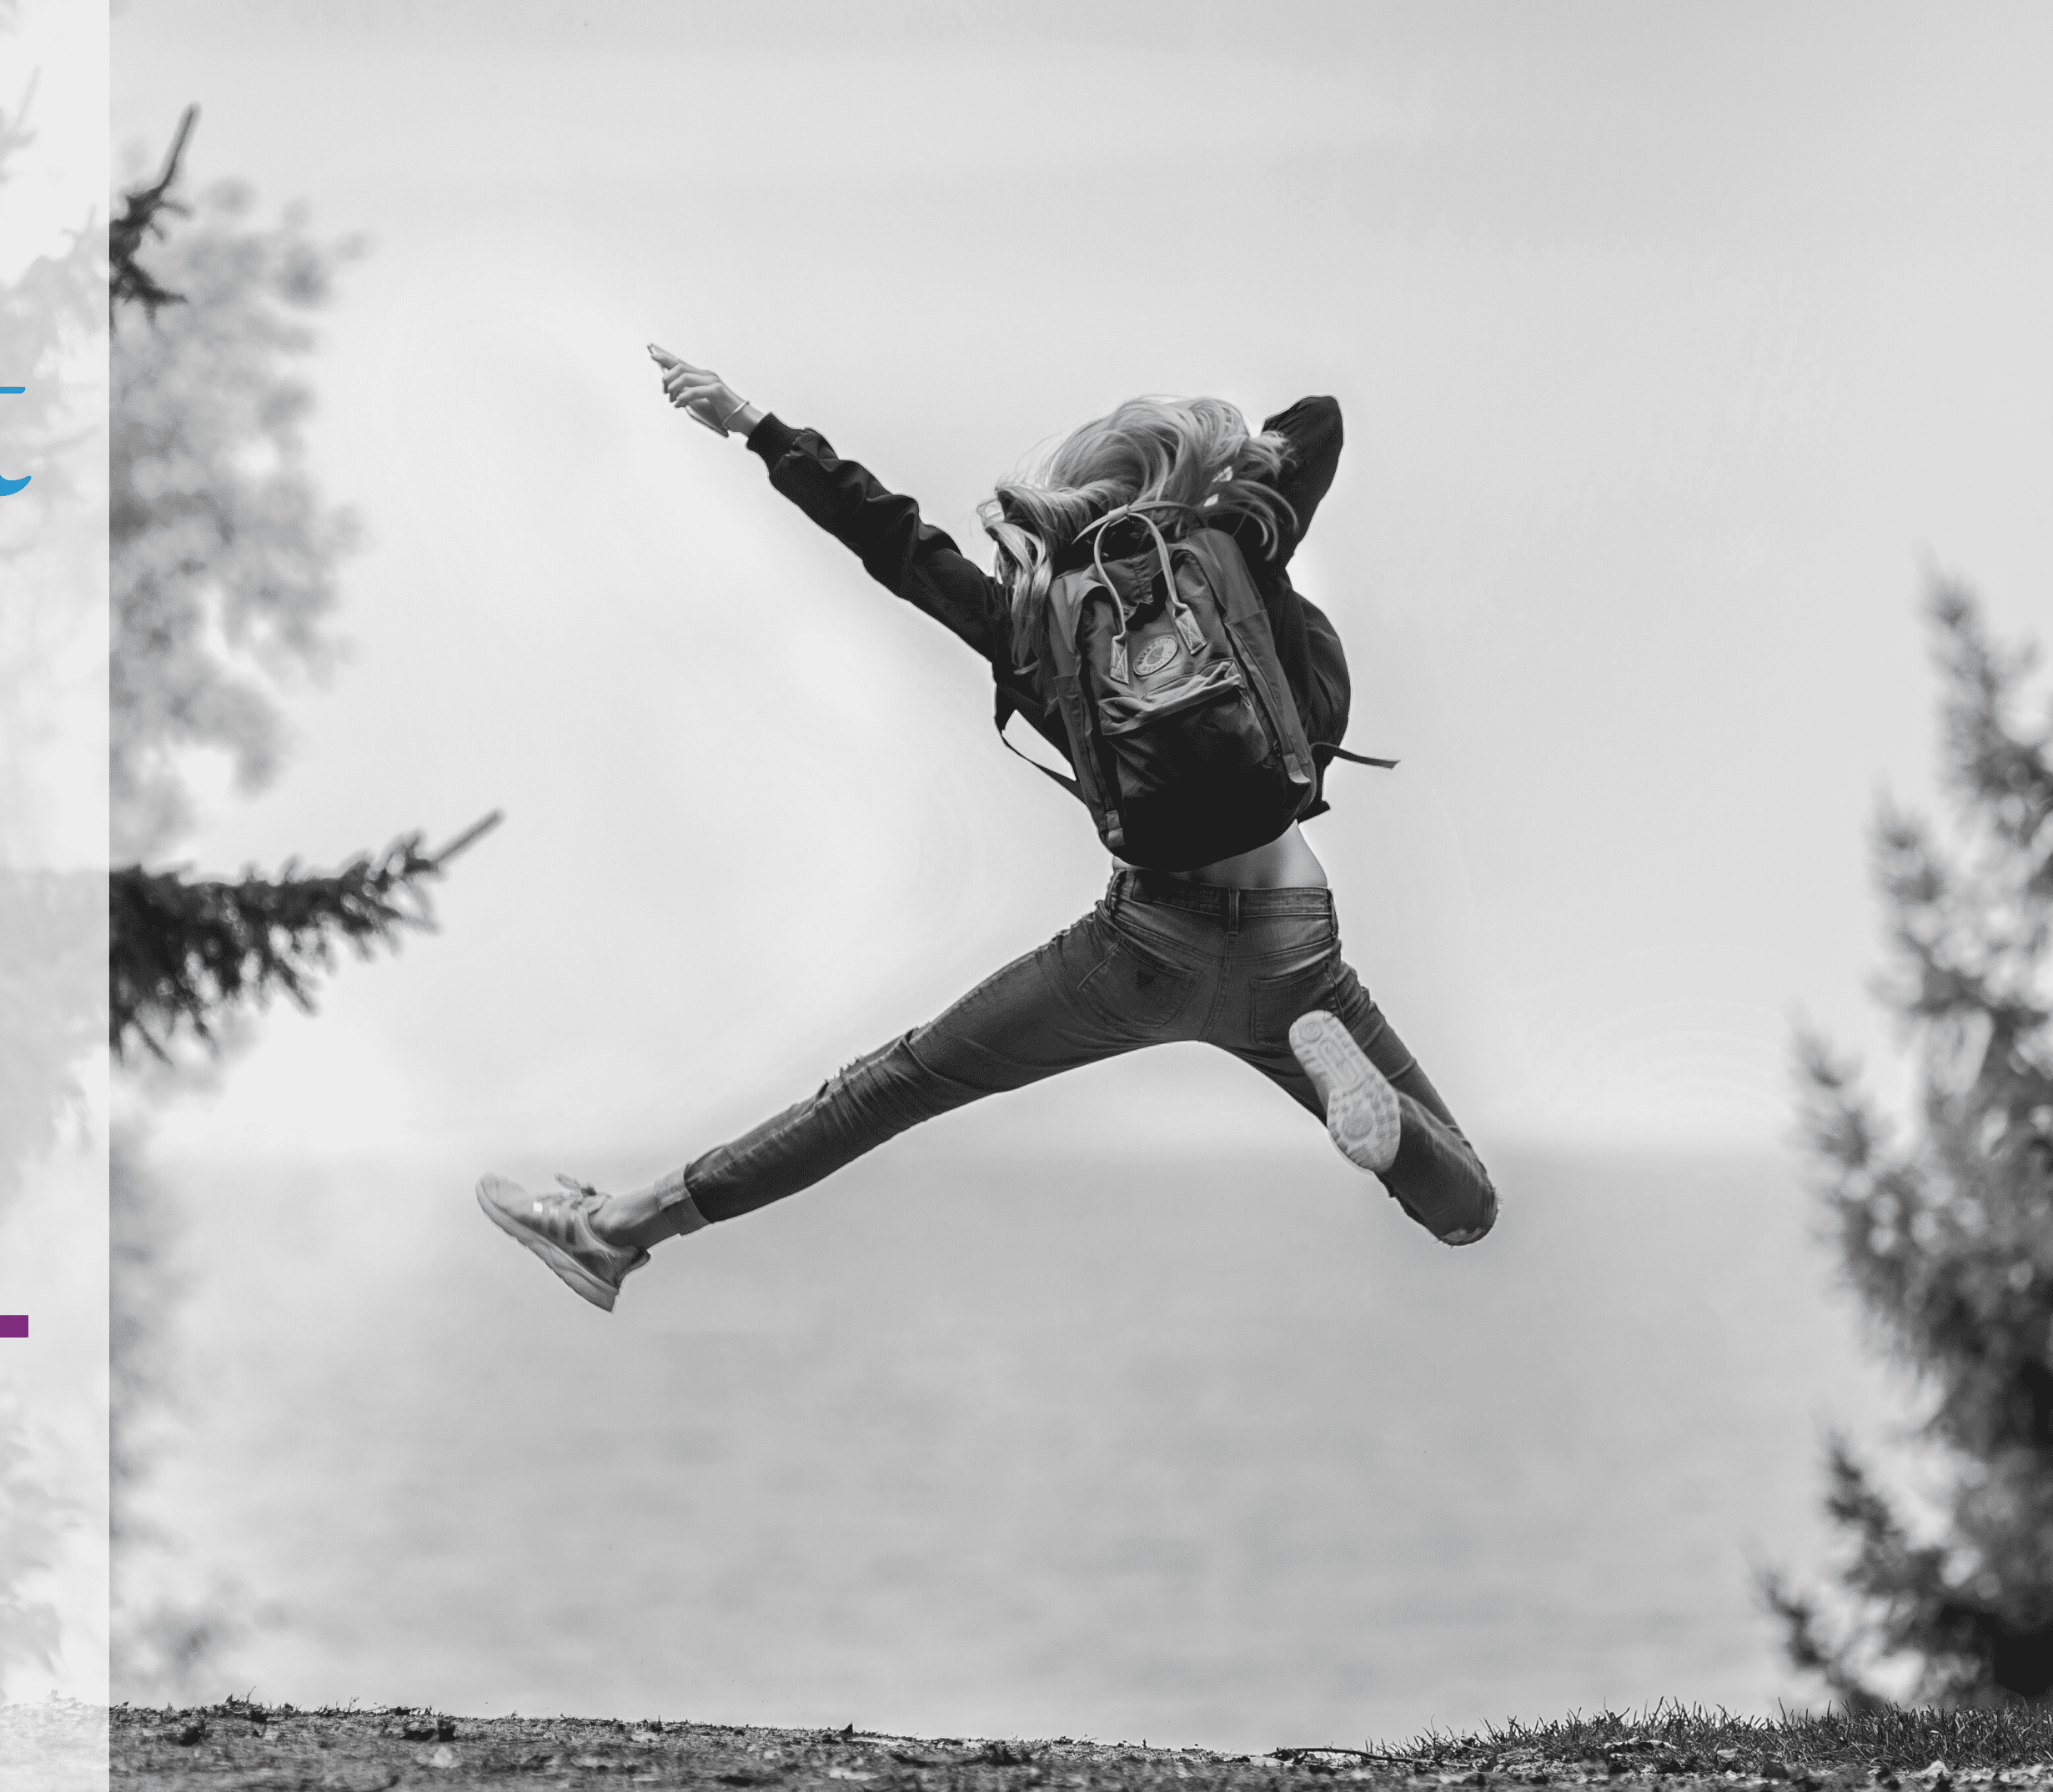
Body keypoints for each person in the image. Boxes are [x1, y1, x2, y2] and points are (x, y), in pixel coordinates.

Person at [474, 348, 1496, 1312]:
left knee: (885, 1089)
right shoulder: (1234, 544)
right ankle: (1395, 1136)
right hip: (1291, 940)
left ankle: (618, 1230)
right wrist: (1219, 480)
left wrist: (753, 424)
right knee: (1468, 1210)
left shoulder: (1037, 616)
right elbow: (1317, 421)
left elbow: (894, 543)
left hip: (1144, 945)